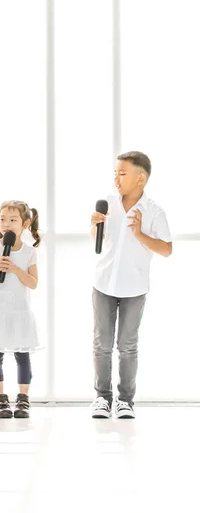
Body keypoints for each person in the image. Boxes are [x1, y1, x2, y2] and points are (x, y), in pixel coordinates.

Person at [90, 151, 172, 419]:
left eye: (122, 173)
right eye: (115, 172)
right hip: (103, 283)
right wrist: (94, 227)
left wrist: (139, 234)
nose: (116, 178)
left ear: (141, 178)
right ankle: (102, 398)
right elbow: (99, 243)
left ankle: (125, 401)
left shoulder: (154, 212)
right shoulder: (108, 205)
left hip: (134, 288)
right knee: (102, 344)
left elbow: (166, 249)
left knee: (127, 346)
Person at [0, 201, 42, 419]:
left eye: (13, 220)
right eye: (2, 219)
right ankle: (0, 399)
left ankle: (23, 399)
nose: (6, 224)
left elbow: (33, 283)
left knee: (22, 355)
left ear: (25, 223)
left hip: (19, 311)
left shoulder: (30, 251)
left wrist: (15, 269)